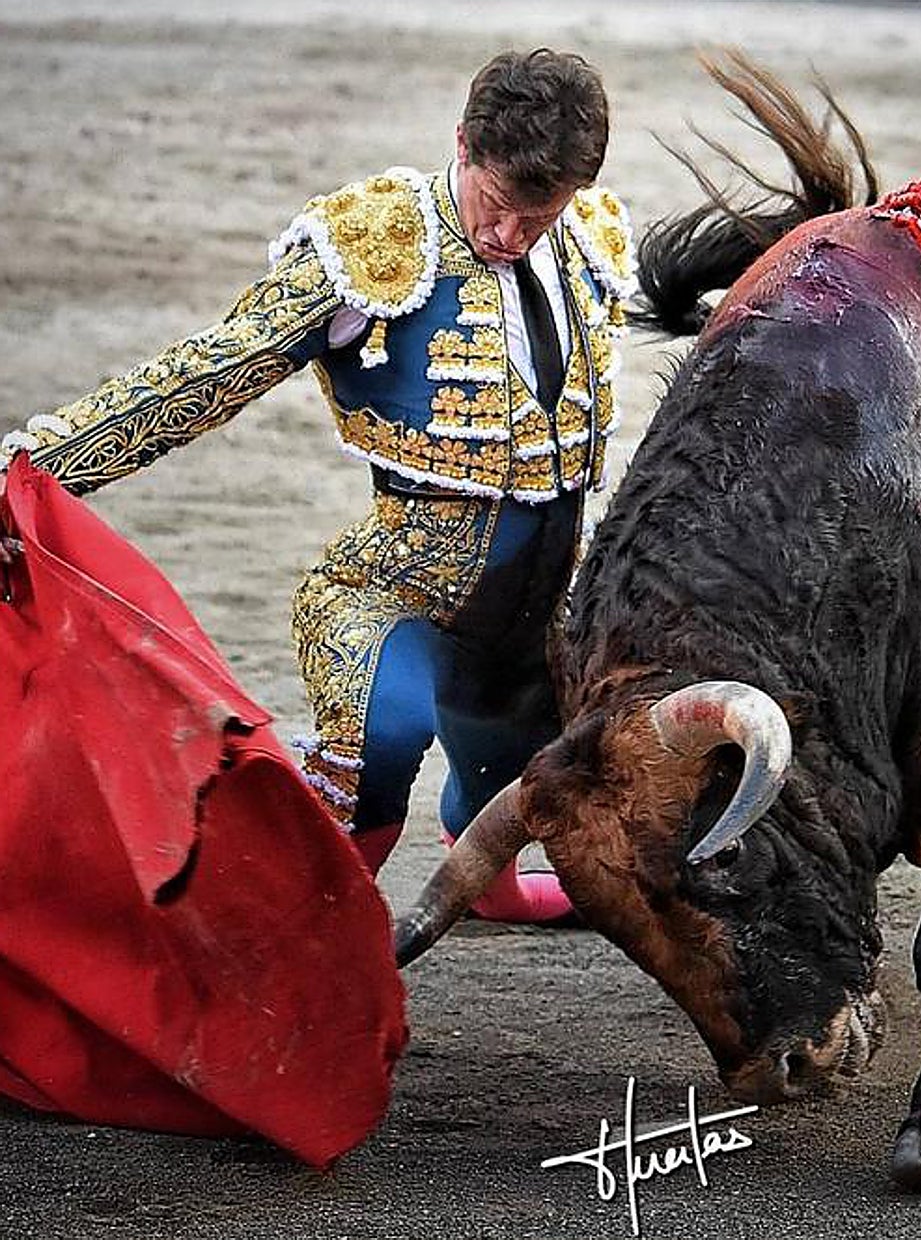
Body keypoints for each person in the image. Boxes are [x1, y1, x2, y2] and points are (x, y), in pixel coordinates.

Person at [0, 47, 635, 923]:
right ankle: (313, 937)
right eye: (496, 206)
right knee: (385, 734)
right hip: (399, 590)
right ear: (462, 142)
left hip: (540, 605)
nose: (510, 237)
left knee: (544, 751)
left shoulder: (592, 237)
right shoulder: (376, 244)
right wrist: (35, 467)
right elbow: (212, 369)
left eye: (539, 216)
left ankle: (482, 867)